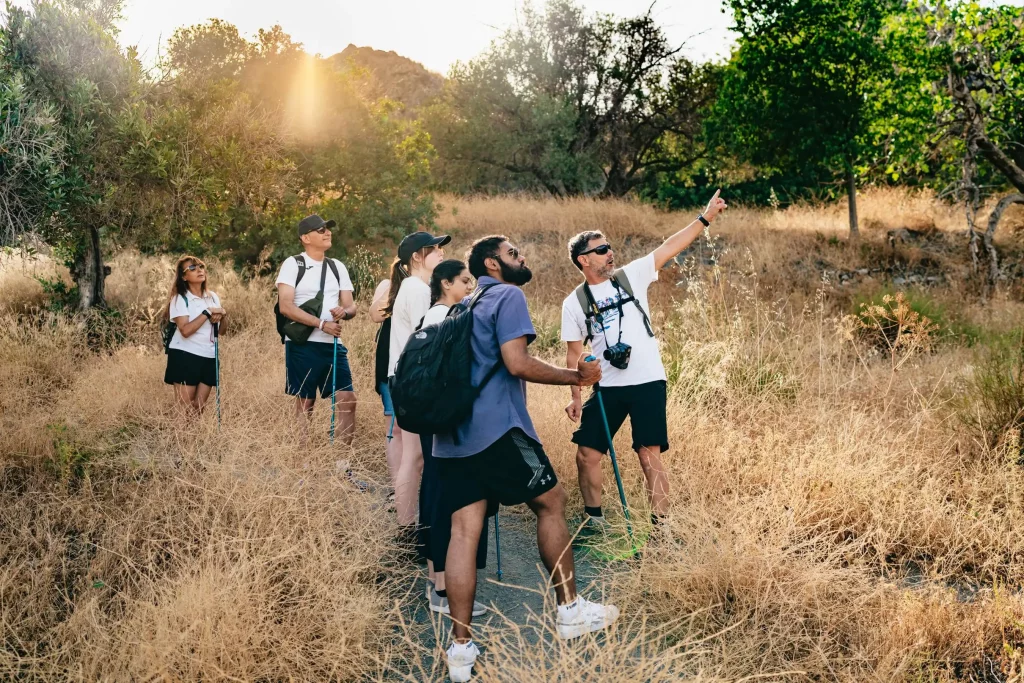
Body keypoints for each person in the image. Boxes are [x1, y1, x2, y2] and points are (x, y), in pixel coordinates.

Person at [435, 236, 619, 683]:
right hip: (498, 430)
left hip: (451, 436)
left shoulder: (463, 299)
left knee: (463, 531)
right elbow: (516, 362)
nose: (523, 257)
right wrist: (575, 376)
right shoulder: (506, 294)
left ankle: (460, 651)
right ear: (494, 263)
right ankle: (571, 611)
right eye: (514, 252)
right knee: (551, 501)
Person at [561, 190, 728, 536]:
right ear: (583, 260)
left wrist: (705, 217)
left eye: (609, 248)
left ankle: (660, 530)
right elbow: (574, 354)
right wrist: (576, 397)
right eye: (602, 250)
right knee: (587, 453)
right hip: (607, 386)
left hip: (648, 380)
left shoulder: (631, 275)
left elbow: (670, 246)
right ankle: (595, 523)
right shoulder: (574, 302)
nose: (611, 254)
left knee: (648, 453)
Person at [417, 259, 486, 617]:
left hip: (431, 418)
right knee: (443, 496)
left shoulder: (435, 315)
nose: (469, 286)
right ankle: (442, 590)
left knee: (435, 491)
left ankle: (438, 582)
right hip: (441, 419)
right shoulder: (442, 316)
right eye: (464, 280)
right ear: (446, 283)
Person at [386, 231, 450, 543]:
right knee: (415, 456)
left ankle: (409, 525)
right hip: (412, 381)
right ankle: (407, 528)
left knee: (415, 454)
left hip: (404, 380)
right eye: (434, 249)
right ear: (417, 257)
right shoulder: (416, 288)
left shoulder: (415, 287)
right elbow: (426, 339)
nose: (440, 253)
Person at [275, 215, 358, 446]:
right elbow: (286, 306)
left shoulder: (337, 266)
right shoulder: (294, 264)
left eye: (328, 229)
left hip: (333, 345)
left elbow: (351, 305)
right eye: (320, 230)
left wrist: (345, 312)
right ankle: (303, 463)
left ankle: (342, 465)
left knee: (347, 400)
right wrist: (321, 324)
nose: (327, 232)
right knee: (305, 403)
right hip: (302, 345)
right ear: (305, 237)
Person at [164, 255, 226, 414]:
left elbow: (221, 331)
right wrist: (206, 313)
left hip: (209, 356)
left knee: (198, 408)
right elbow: (185, 330)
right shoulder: (180, 299)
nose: (199, 270)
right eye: (192, 268)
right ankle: (179, 440)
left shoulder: (212, 297)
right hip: (186, 355)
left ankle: (194, 439)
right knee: (184, 408)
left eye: (201, 266)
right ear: (184, 277)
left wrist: (223, 315)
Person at [369, 278, 401, 500]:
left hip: (424, 366)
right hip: (391, 363)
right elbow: (376, 315)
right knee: (393, 428)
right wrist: (396, 283)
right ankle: (396, 489)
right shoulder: (390, 283)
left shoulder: (437, 281)